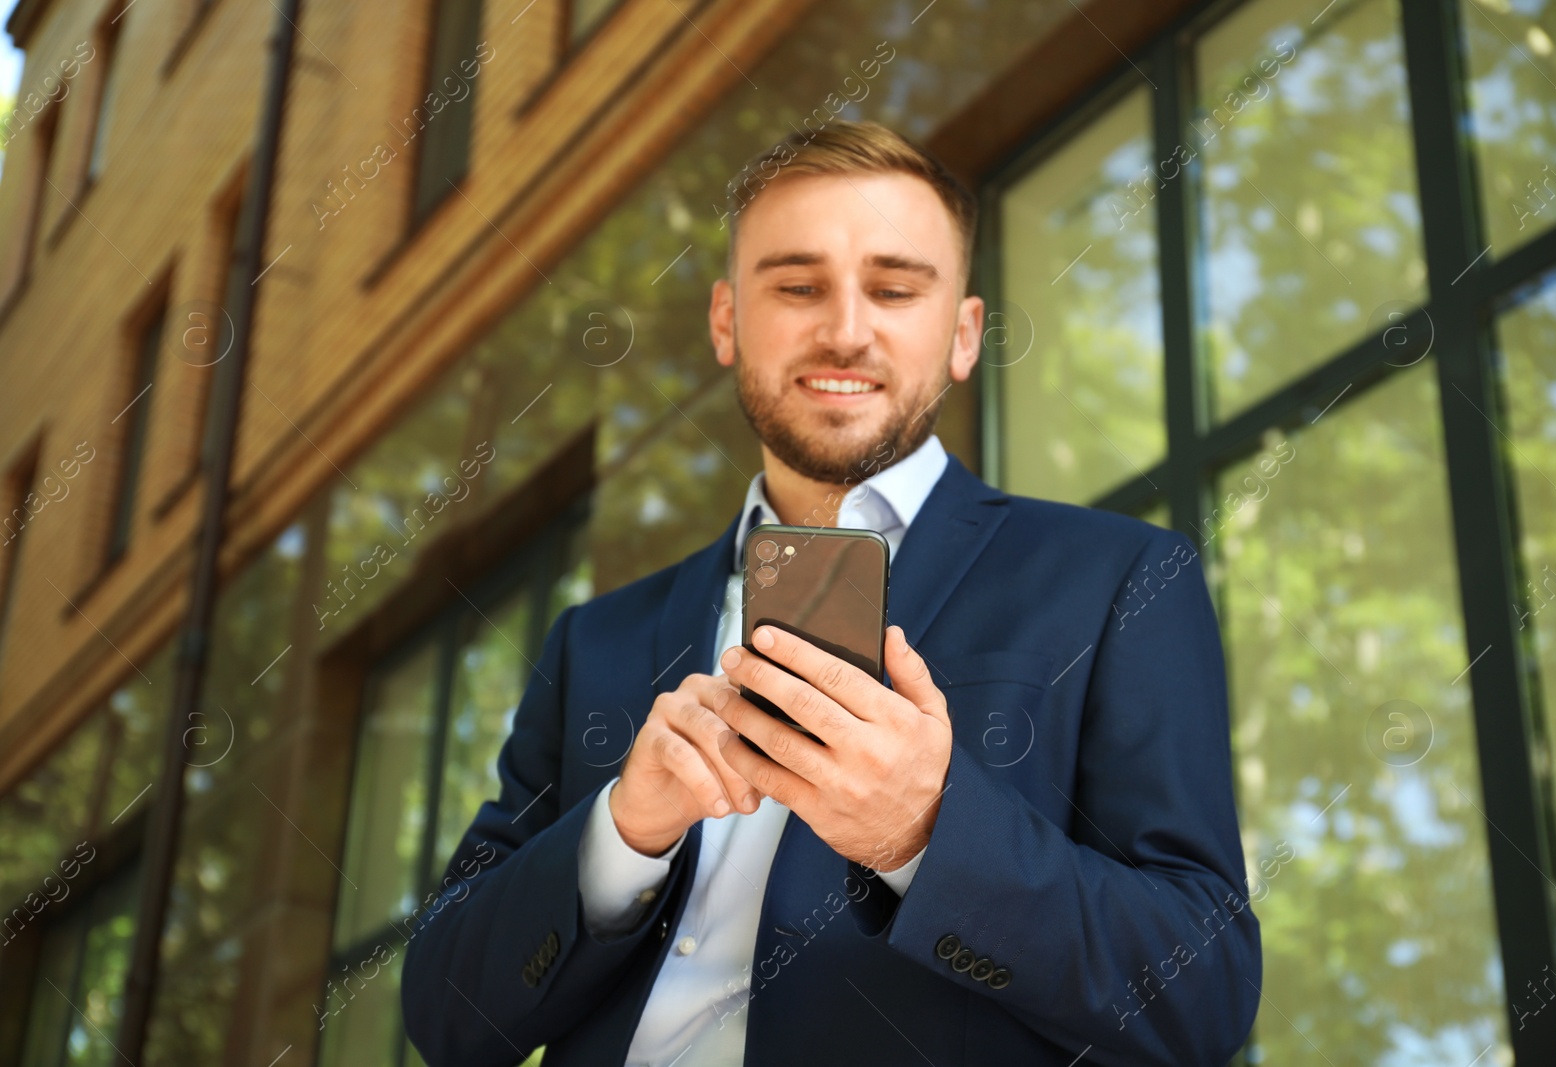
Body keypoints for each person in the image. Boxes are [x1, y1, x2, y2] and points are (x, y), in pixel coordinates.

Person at [401, 119, 1261, 1067]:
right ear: (727, 322)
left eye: (894, 288)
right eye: (797, 286)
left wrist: (925, 831)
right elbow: (445, 1014)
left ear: (964, 334)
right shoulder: (594, 640)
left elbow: (1200, 996)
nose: (846, 329)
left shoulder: (1119, 581)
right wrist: (624, 835)